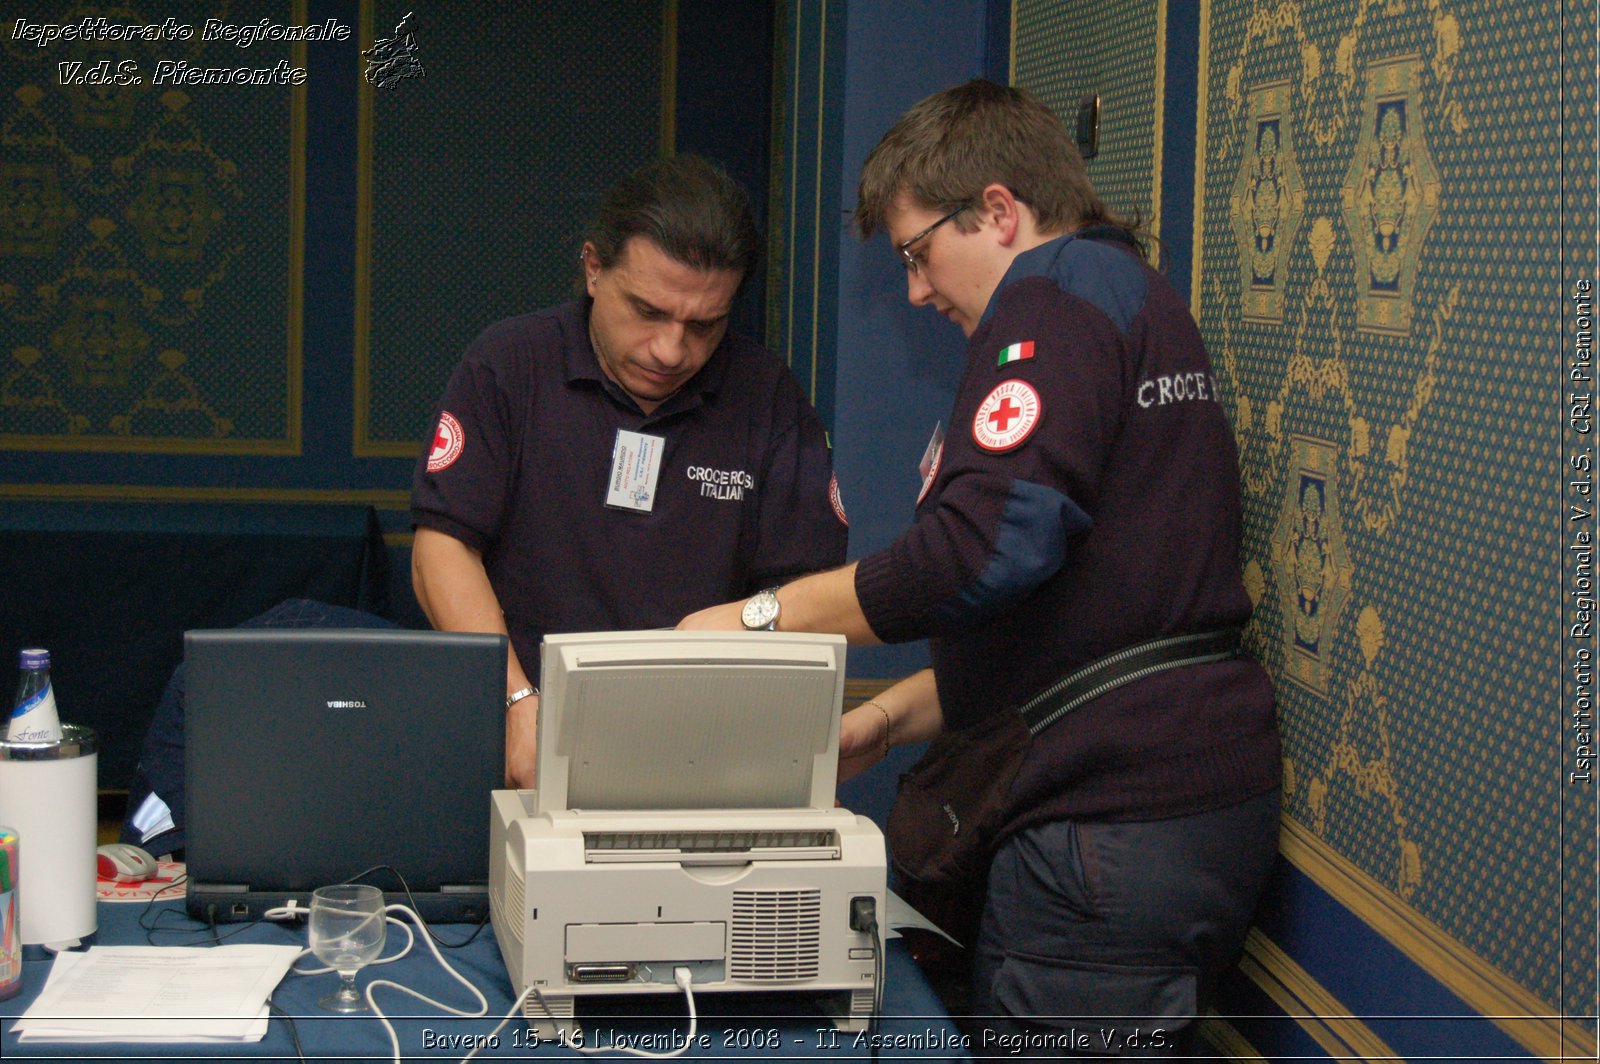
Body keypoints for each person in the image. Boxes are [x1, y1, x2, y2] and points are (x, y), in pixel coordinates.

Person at [680, 80, 1281, 1054]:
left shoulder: (1048, 296)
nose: (916, 291)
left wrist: (763, 614)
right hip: (1184, 804)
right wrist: (888, 714)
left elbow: (984, 547)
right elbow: (1083, 620)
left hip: (1105, 826)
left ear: (998, 210)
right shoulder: (1127, 291)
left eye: (919, 255)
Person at [411, 154, 848, 789]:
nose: (671, 351)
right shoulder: (510, 365)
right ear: (593, 268)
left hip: (705, 757)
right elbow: (441, 547)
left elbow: (812, 594)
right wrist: (514, 705)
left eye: (704, 325)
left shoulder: (768, 397)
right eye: (648, 311)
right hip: (519, 736)